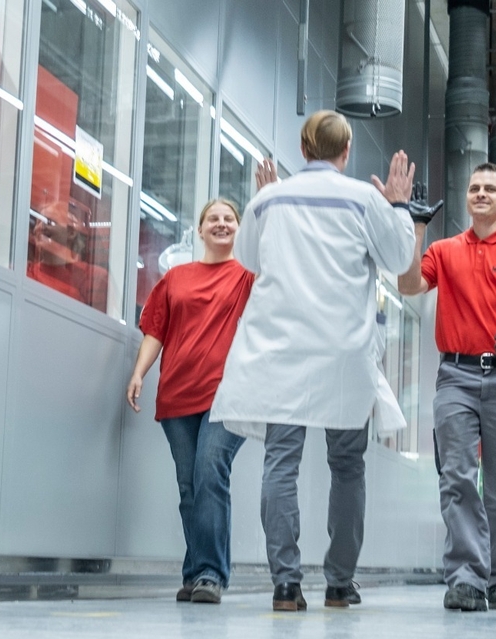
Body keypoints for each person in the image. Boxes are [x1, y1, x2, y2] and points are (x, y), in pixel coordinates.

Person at [209, 110, 422, 612]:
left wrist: (273, 198)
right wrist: (396, 206)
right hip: (343, 354)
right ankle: (339, 582)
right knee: (347, 465)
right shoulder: (365, 199)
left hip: (282, 352)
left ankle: (285, 583)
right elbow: (397, 262)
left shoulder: (269, 199)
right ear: (345, 153)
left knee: (280, 463)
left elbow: (249, 260)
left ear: (303, 150)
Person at [397, 162, 496, 612]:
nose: (481, 194)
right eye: (474, 188)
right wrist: (416, 229)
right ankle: (465, 578)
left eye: (490, 189)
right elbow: (409, 286)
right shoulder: (444, 250)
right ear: (467, 197)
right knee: (458, 478)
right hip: (456, 378)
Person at [125, 197, 260, 604]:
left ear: (239, 229)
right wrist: (138, 372)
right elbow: (156, 331)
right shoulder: (176, 278)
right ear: (199, 231)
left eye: (229, 219)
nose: (221, 224)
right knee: (189, 488)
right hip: (177, 394)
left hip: (228, 396)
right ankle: (196, 569)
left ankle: (210, 574)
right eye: (213, 219)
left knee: (209, 474)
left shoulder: (248, 277)